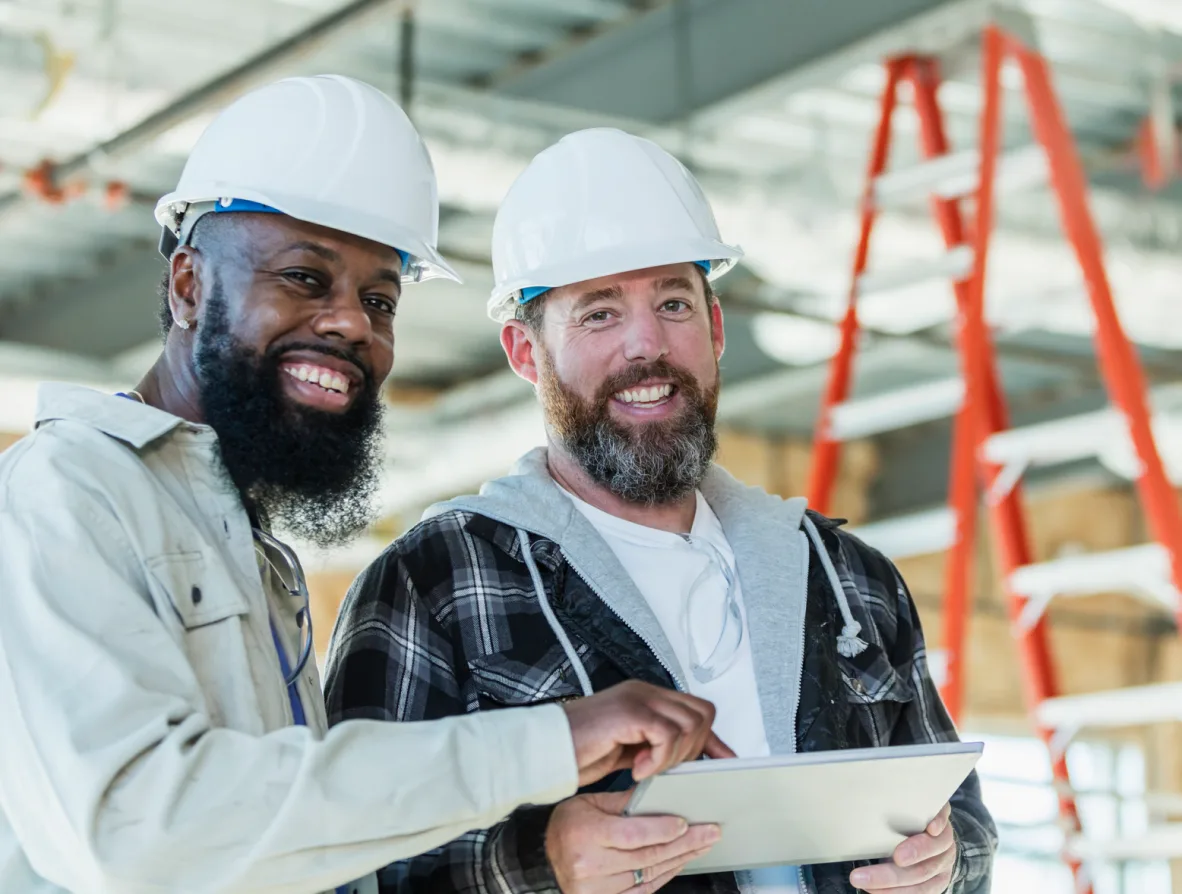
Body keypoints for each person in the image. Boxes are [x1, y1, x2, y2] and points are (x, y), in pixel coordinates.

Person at [0, 88, 732, 894]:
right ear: (187, 287)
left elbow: (287, 840)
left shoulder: (240, 543)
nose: (353, 324)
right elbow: (138, 833)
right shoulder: (67, 492)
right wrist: (552, 742)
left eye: (379, 300)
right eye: (305, 277)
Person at [325, 127, 998, 894]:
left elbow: (966, 825)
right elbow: (348, 866)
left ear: (714, 330)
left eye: (673, 303)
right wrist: (539, 863)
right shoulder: (434, 583)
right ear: (523, 352)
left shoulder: (850, 582)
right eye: (599, 314)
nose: (647, 346)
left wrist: (947, 864)